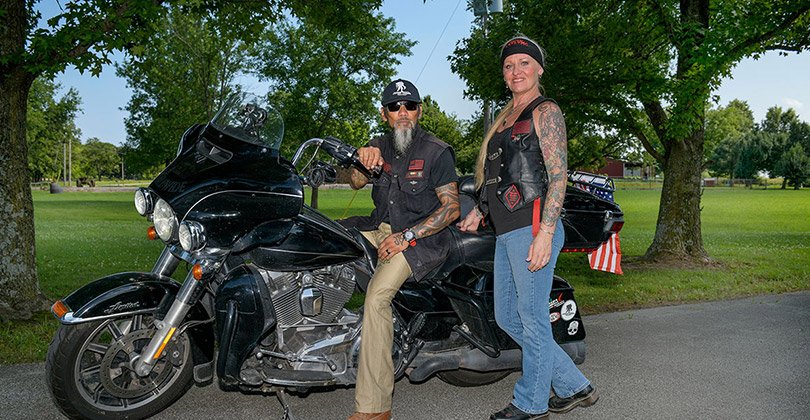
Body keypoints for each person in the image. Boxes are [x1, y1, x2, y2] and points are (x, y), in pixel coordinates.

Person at [458, 36, 598, 420]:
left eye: (524, 63)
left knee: (532, 316)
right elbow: (498, 178)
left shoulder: (545, 110)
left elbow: (557, 176)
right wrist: (480, 212)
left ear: (538, 69)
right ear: (504, 75)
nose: (516, 70)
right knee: (507, 317)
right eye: (509, 65)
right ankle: (573, 385)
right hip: (506, 231)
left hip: (534, 226)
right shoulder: (502, 119)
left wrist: (546, 233)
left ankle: (531, 402)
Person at [342, 79, 460, 420]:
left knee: (377, 298)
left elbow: (450, 208)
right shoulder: (377, 146)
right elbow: (355, 181)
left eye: (410, 106)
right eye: (395, 107)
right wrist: (360, 162)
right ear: (384, 113)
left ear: (420, 111)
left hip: (420, 241)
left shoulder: (436, 151)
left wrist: (406, 237)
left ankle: (375, 407)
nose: (403, 113)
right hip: (380, 228)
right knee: (324, 244)